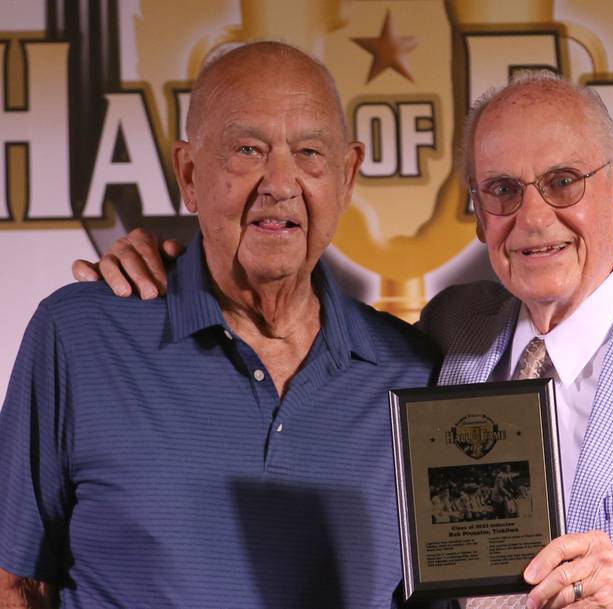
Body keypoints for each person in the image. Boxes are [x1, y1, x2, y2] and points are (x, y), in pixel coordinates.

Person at [70, 71, 613, 607]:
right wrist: (165, 263)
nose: (535, 218)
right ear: (479, 217)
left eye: (564, 182)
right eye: (503, 191)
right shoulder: (449, 340)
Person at [0, 42, 443, 609]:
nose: (279, 183)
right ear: (189, 174)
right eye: (247, 149)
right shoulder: (80, 336)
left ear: (348, 175)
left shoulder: (415, 375)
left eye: (310, 152)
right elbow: (18, 585)